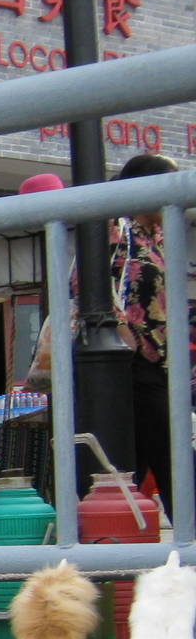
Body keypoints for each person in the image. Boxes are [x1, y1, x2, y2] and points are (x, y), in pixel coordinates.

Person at [111, 153, 187, 498]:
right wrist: (128, 339)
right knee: (172, 456)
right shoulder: (118, 231)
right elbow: (86, 285)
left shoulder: (153, 239)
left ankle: (116, 535)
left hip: (157, 365)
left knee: (137, 460)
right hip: (133, 363)